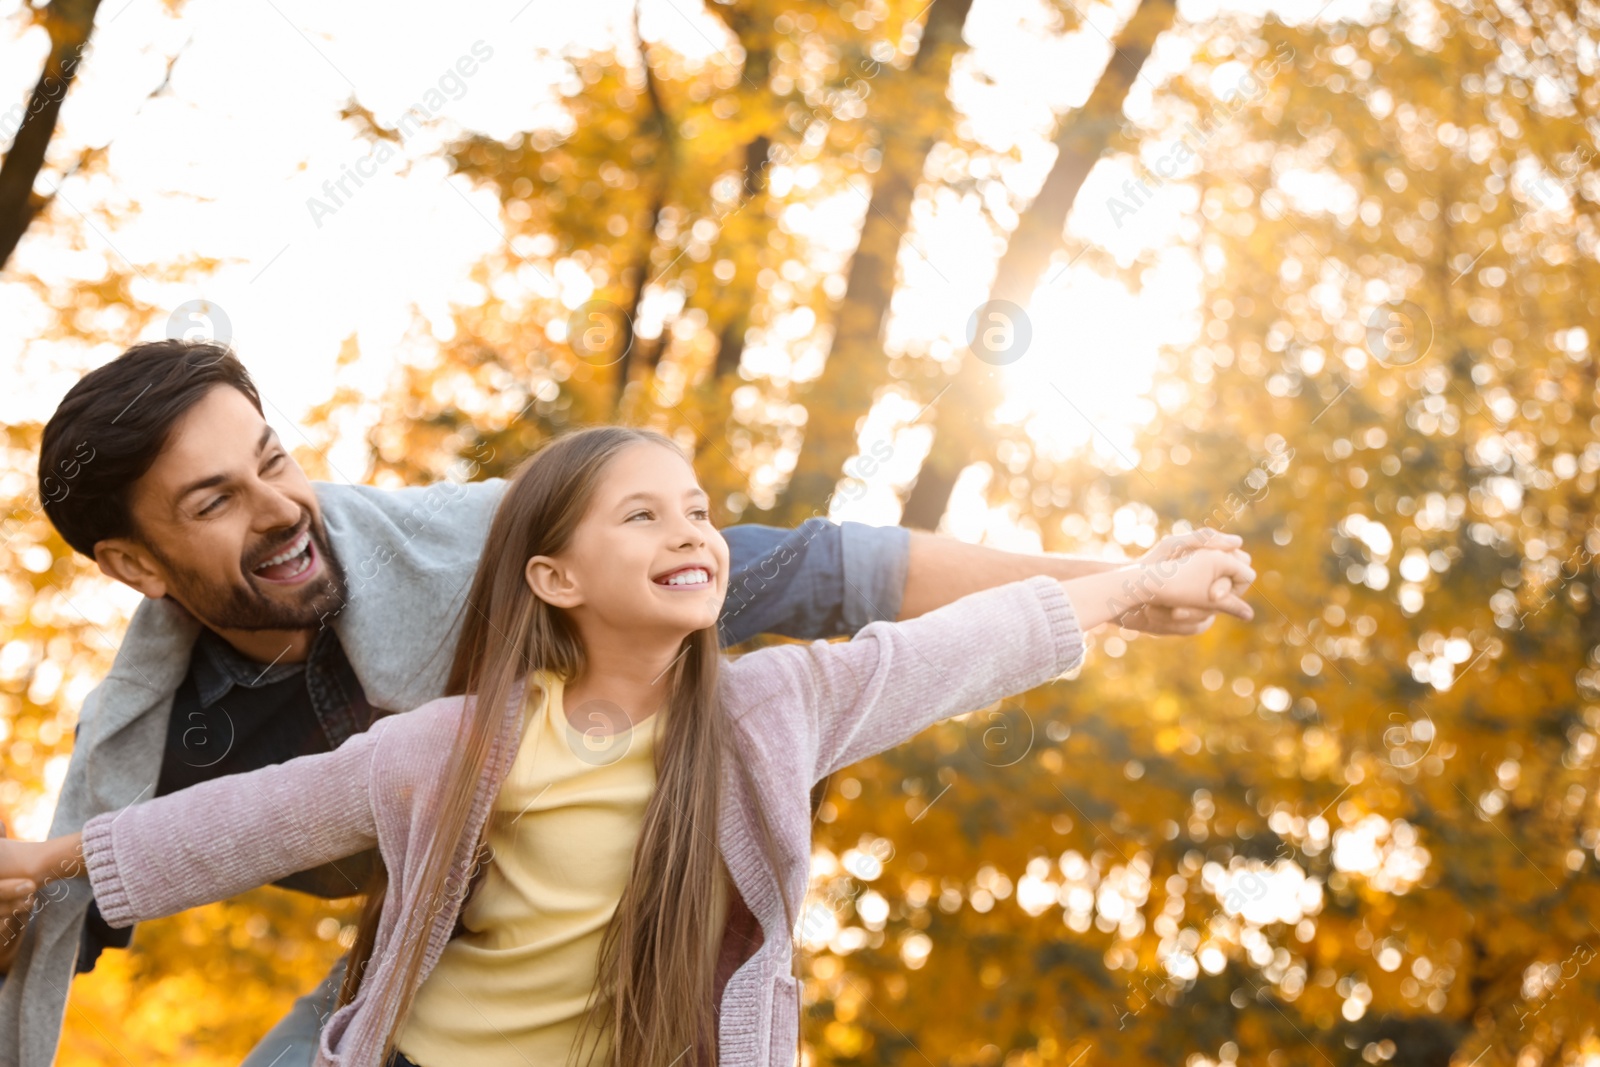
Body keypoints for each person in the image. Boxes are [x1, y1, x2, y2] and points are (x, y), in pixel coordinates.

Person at [0, 340, 1233, 1067]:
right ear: (138, 566)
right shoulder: (164, 743)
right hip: (424, 995)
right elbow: (168, 848)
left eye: (271, 458)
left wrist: (1124, 582)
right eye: (213, 500)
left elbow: (870, 594)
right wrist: (36, 880)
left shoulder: (532, 563)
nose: (278, 507)